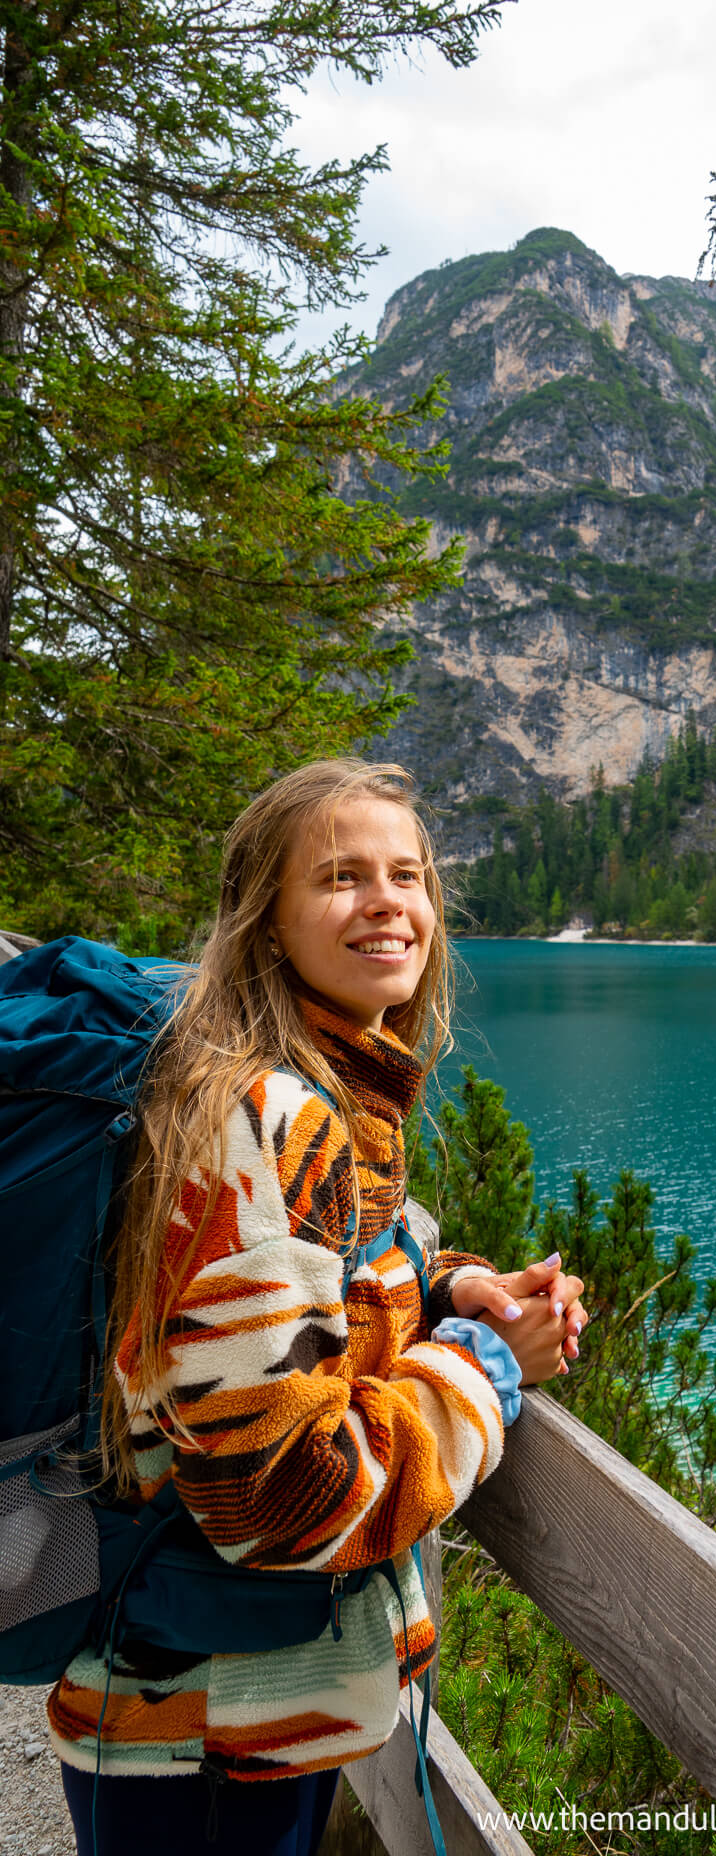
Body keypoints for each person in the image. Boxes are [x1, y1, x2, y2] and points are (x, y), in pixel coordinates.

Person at [46, 757, 586, 1855]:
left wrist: (446, 1289)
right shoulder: (266, 1116)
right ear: (266, 917)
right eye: (340, 876)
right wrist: (485, 1364)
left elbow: (300, 1292)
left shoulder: (299, 1084)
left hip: (214, 1705)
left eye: (409, 874)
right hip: (206, 1729)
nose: (389, 902)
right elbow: (284, 1500)